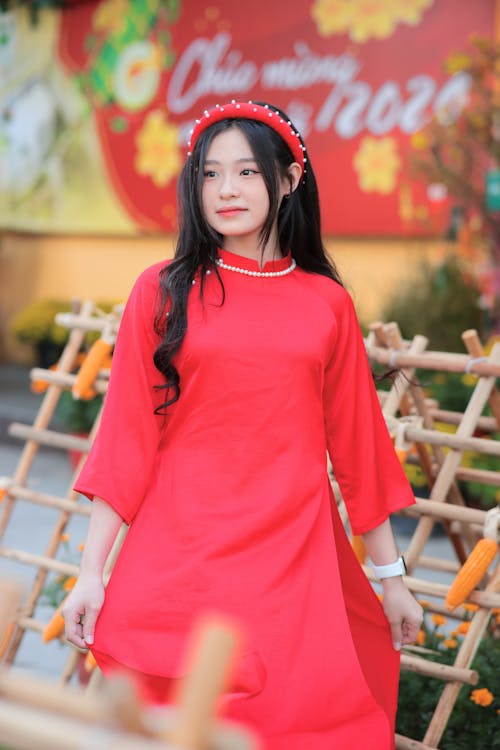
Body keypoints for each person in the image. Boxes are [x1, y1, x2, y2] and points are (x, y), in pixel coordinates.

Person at [63, 100, 423, 749]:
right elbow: (126, 440)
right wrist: (91, 572)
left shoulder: (326, 304)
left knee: (290, 728)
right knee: (168, 730)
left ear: (288, 181)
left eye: (247, 173)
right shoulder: (163, 290)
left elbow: (359, 452)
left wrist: (390, 581)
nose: (226, 190)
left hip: (290, 568)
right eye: (210, 174)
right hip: (179, 562)